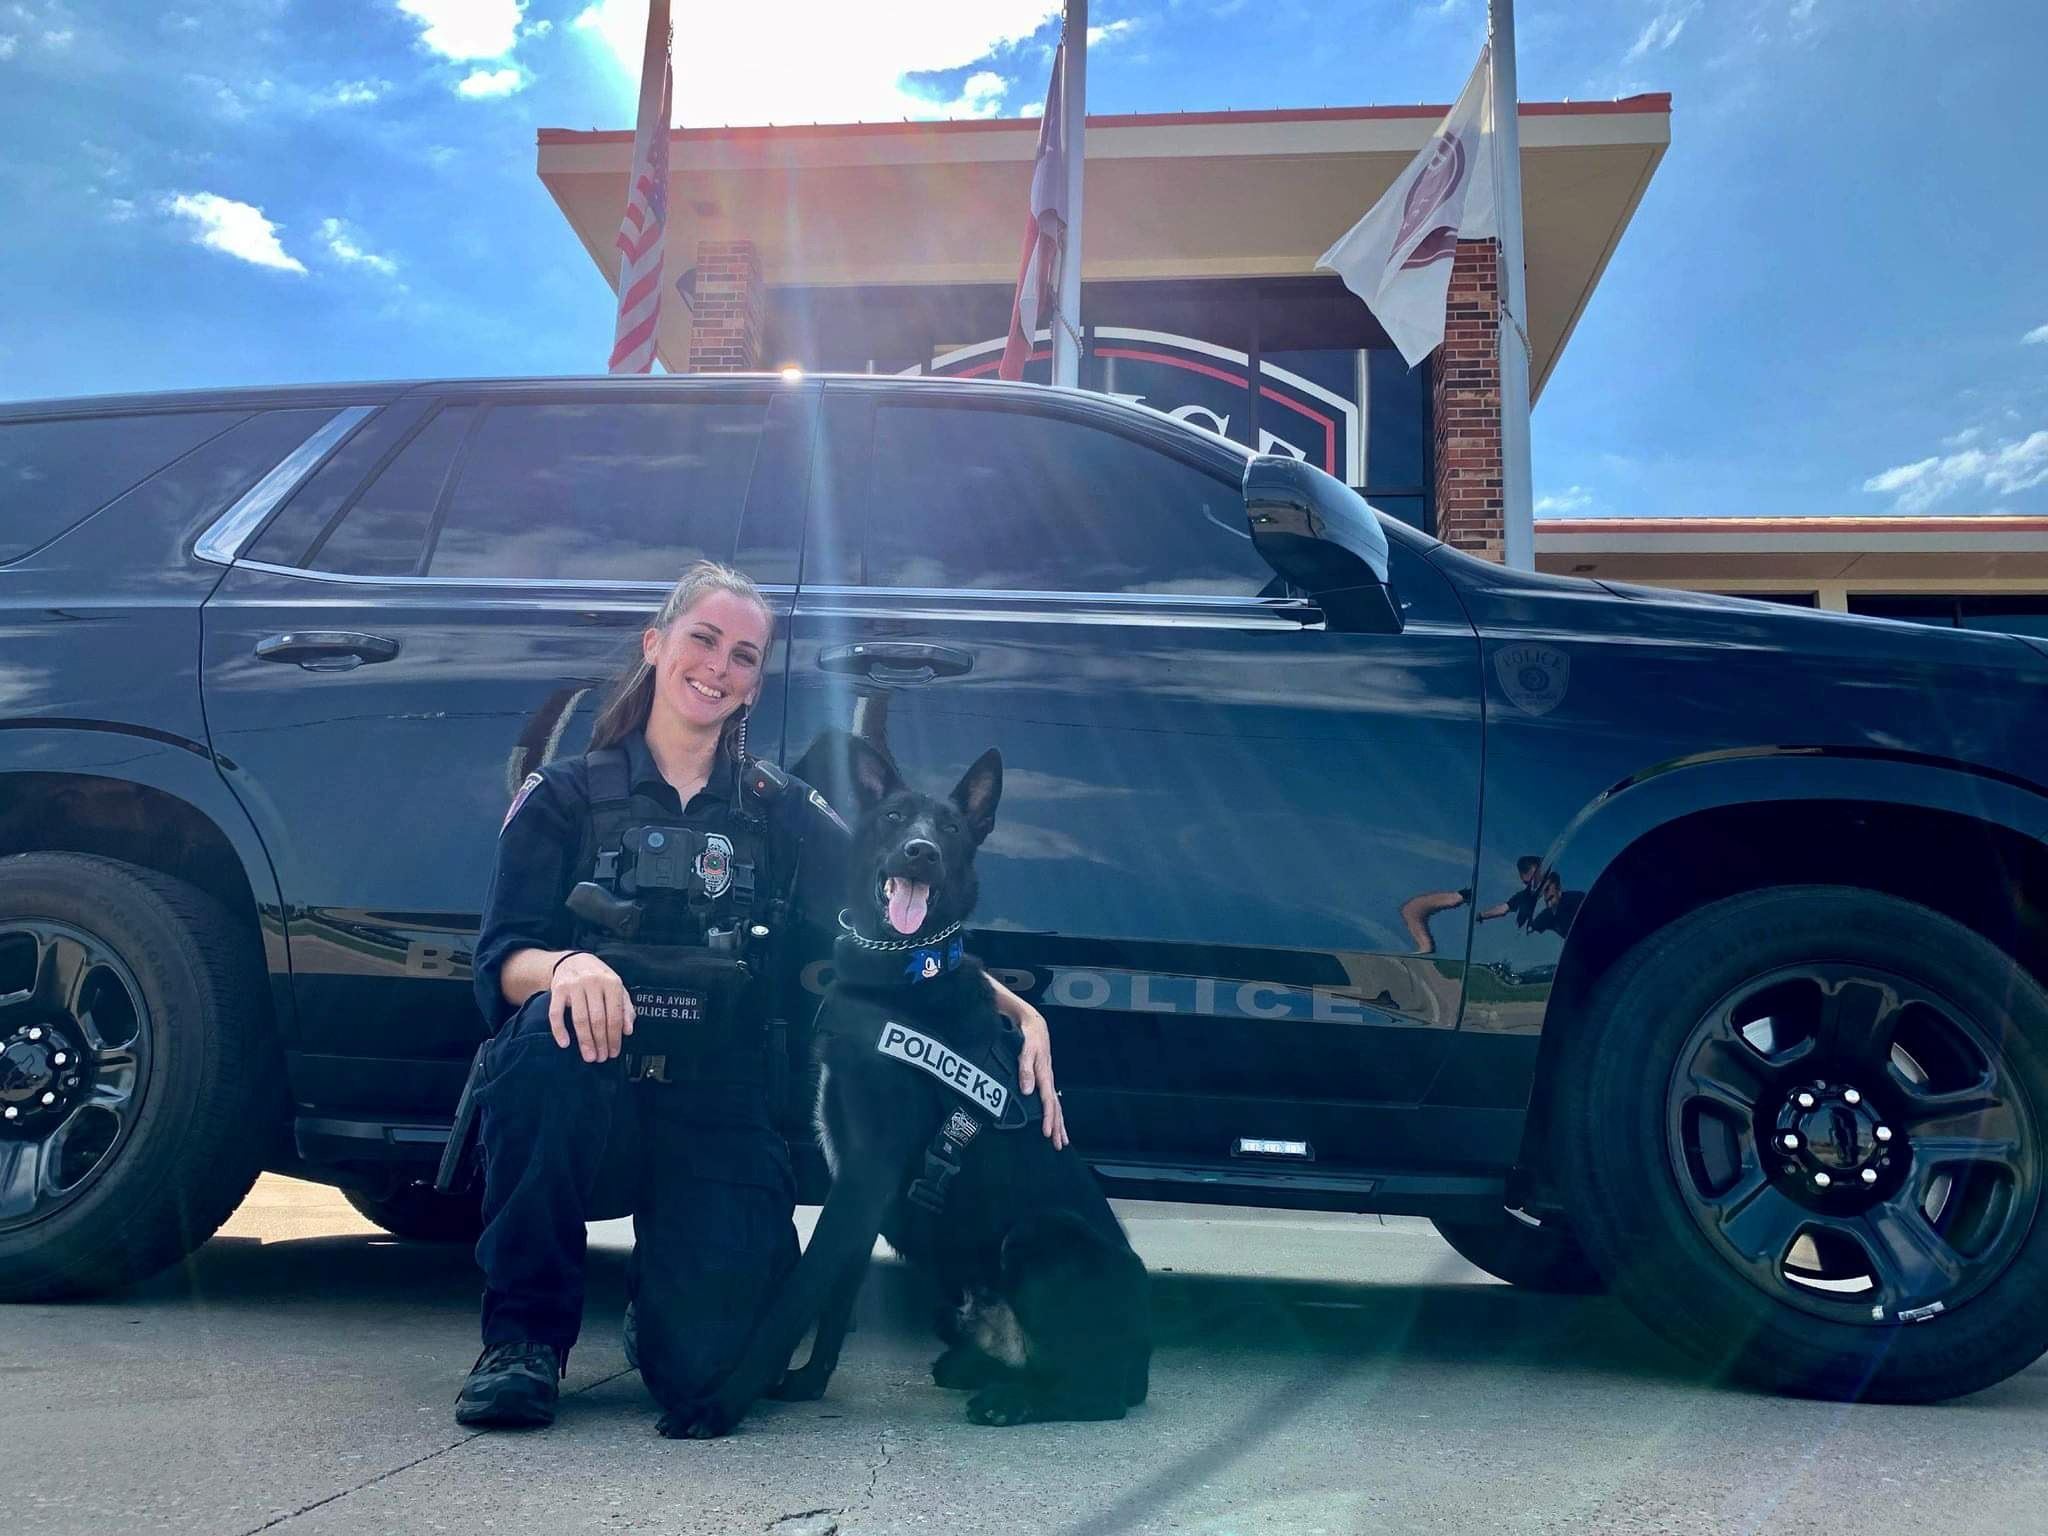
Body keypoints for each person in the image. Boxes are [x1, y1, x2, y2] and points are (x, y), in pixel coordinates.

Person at [455, 560, 1068, 1429]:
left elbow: (885, 913)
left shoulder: (779, 809)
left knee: (710, 1373)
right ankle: (522, 1338)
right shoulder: (563, 795)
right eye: (702, 640)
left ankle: (664, 1306)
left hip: (715, 1101)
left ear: (756, 679)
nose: (719, 666)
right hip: (589, 1094)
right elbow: (503, 955)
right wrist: (564, 968)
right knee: (542, 1048)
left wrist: (1011, 1005)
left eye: (744, 655)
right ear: (657, 645)